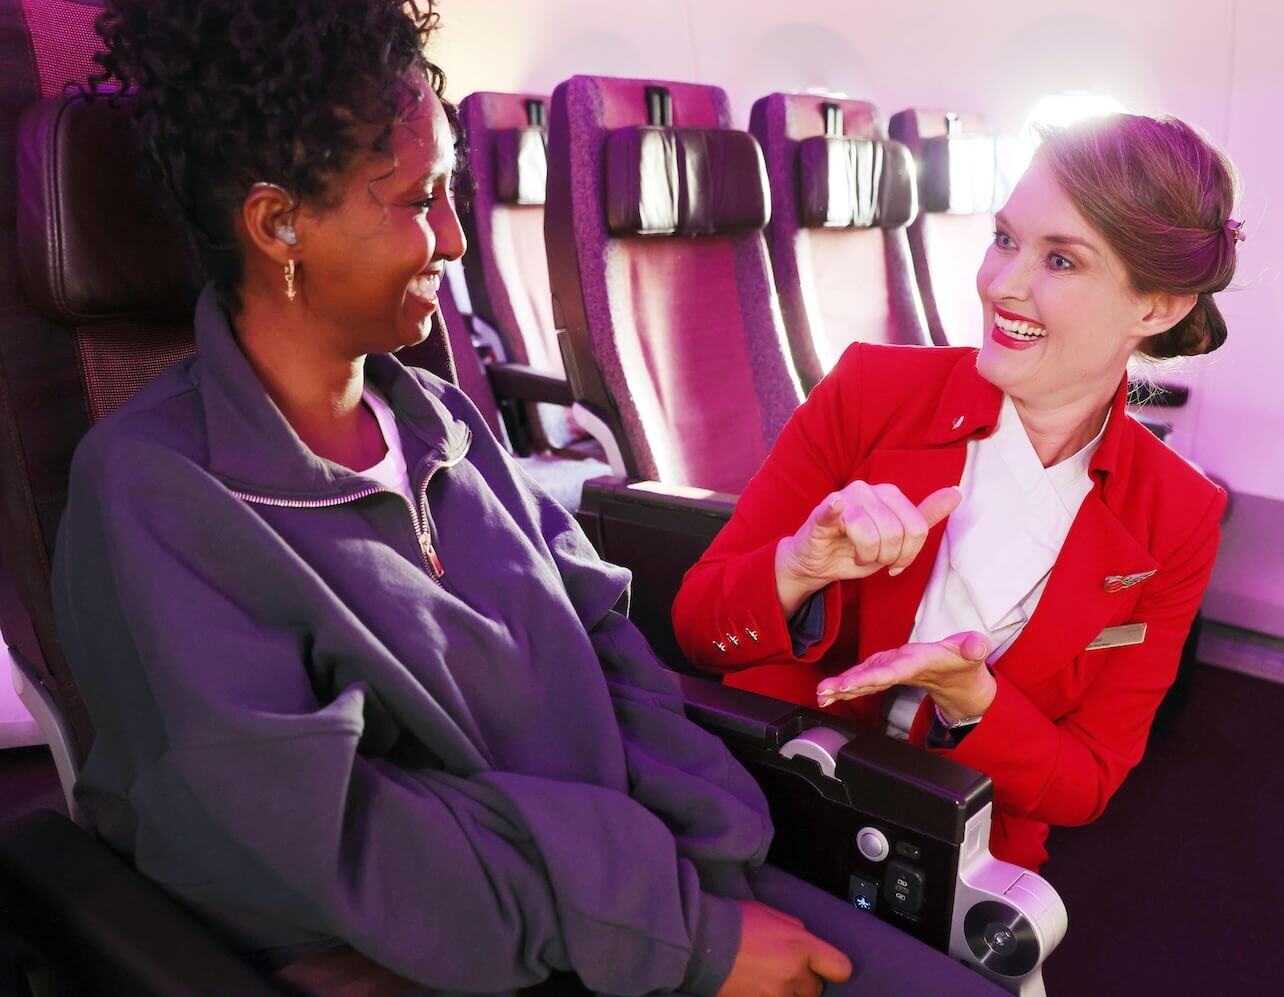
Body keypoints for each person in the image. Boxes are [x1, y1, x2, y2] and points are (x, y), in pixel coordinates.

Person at [53, 1, 1003, 994]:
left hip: (617, 899)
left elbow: (603, 645)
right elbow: (329, 838)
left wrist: (716, 859)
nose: (458, 240)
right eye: (420, 201)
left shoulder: (437, 420)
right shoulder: (159, 494)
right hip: (428, 949)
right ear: (278, 223)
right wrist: (683, 936)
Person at [673, 112, 1240, 874]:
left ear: (1158, 307)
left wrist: (976, 698)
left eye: (1062, 262)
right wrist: (798, 567)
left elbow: (1086, 785)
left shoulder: (1177, 514)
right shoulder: (872, 392)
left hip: (955, 848)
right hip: (768, 799)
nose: (1001, 284)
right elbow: (696, 628)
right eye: (1005, 238)